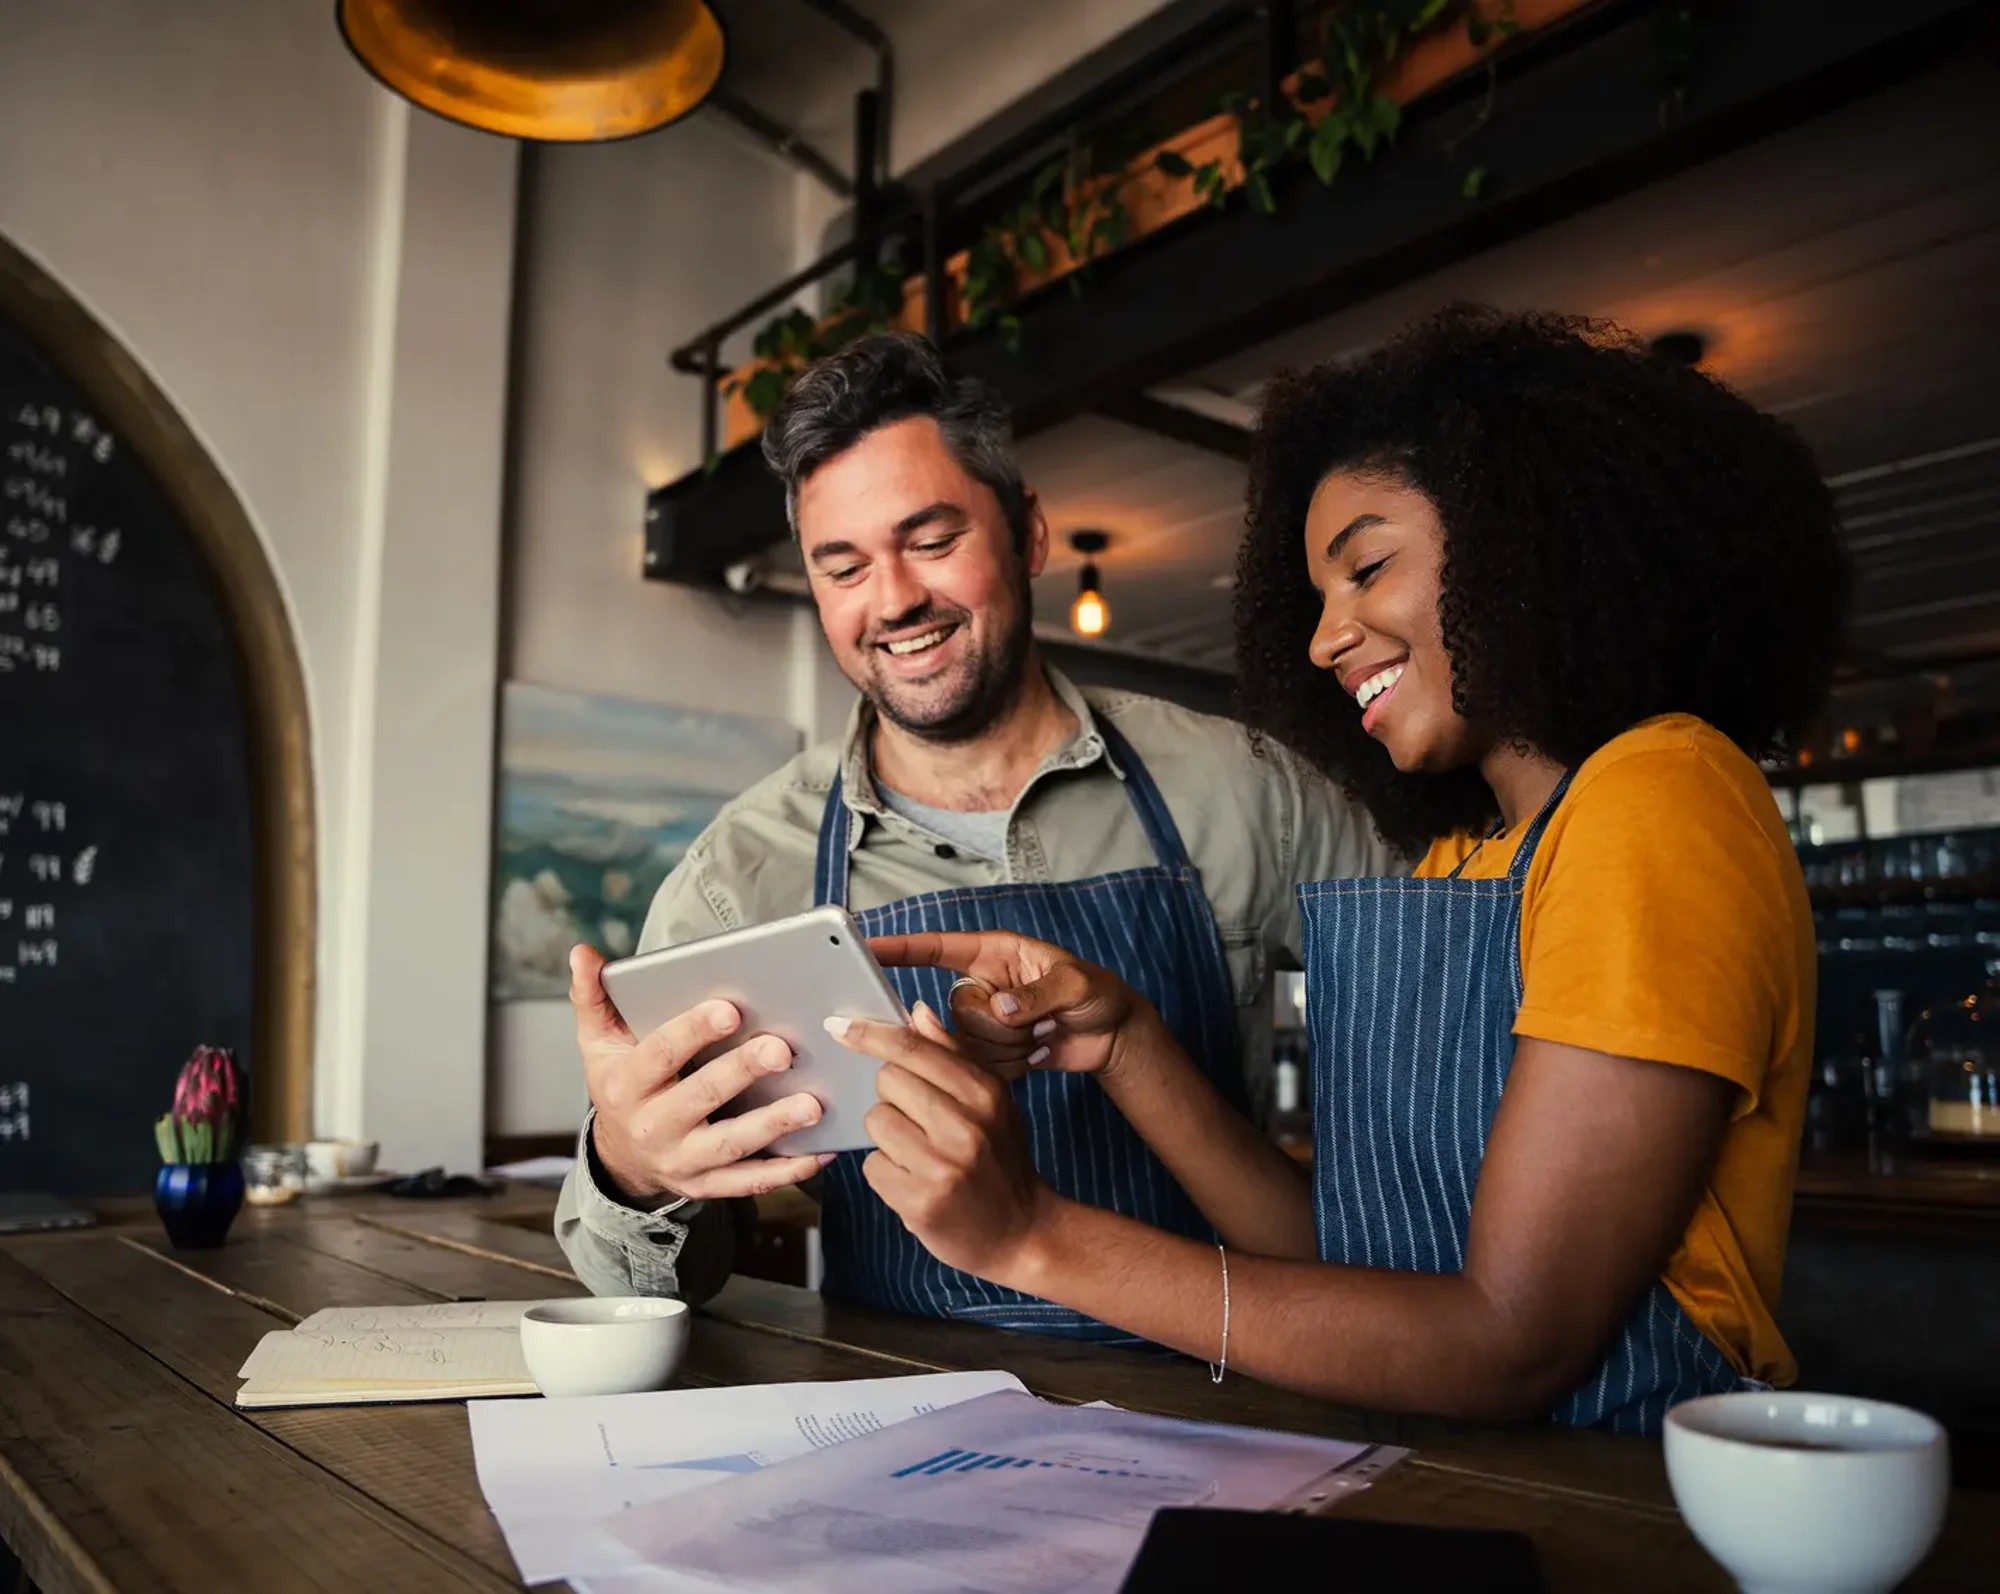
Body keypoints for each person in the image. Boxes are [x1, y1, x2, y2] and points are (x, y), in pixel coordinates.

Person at [824, 306, 1849, 1431]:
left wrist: (1028, 1237)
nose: (1323, 638)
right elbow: (1352, 1266)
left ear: (1525, 537)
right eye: (1315, 598)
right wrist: (1125, 1043)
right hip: (1456, 1477)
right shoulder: (1473, 857)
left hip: (1625, 1494)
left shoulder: (1658, 798)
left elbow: (1510, 1338)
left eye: (1365, 568)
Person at [554, 332, 1396, 1335]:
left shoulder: (1248, 790)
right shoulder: (741, 878)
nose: (894, 599)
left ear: (1027, 532)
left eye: (931, 537)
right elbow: (646, 1293)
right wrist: (632, 1167)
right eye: (843, 566)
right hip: (896, 1417)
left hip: (1245, 1394)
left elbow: (1436, 1095)